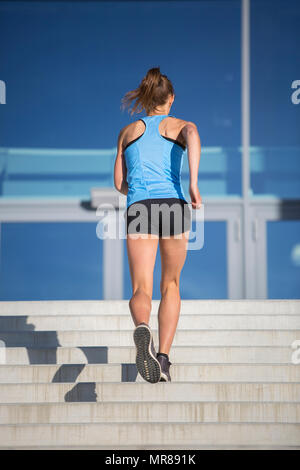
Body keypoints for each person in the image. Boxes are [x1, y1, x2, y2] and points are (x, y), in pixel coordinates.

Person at [114, 67, 202, 383]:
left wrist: (139, 190)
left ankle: (142, 327)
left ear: (147, 98)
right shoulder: (178, 125)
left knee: (141, 287)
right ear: (171, 99)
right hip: (175, 205)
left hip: (140, 206)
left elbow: (119, 183)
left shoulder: (127, 132)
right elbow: (192, 133)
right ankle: (163, 359)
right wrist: (192, 183)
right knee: (171, 284)